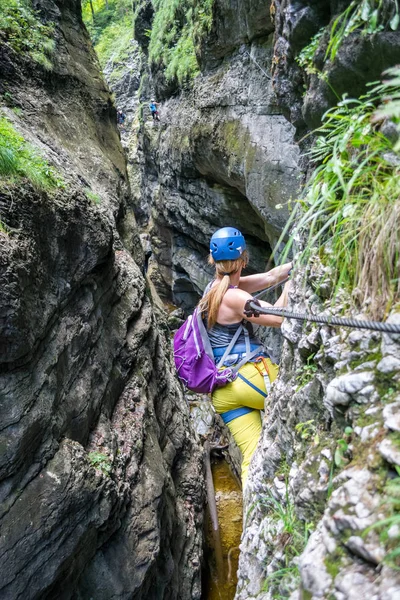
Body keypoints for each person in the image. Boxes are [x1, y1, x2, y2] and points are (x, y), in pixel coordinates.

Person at [198, 227, 292, 486]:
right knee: (299, 407)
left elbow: (272, 277)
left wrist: (297, 263)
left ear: (212, 260)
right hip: (249, 377)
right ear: (244, 260)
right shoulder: (236, 297)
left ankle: (252, 521)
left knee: (252, 456)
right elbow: (281, 317)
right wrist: (295, 283)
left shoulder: (215, 288)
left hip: (223, 392)